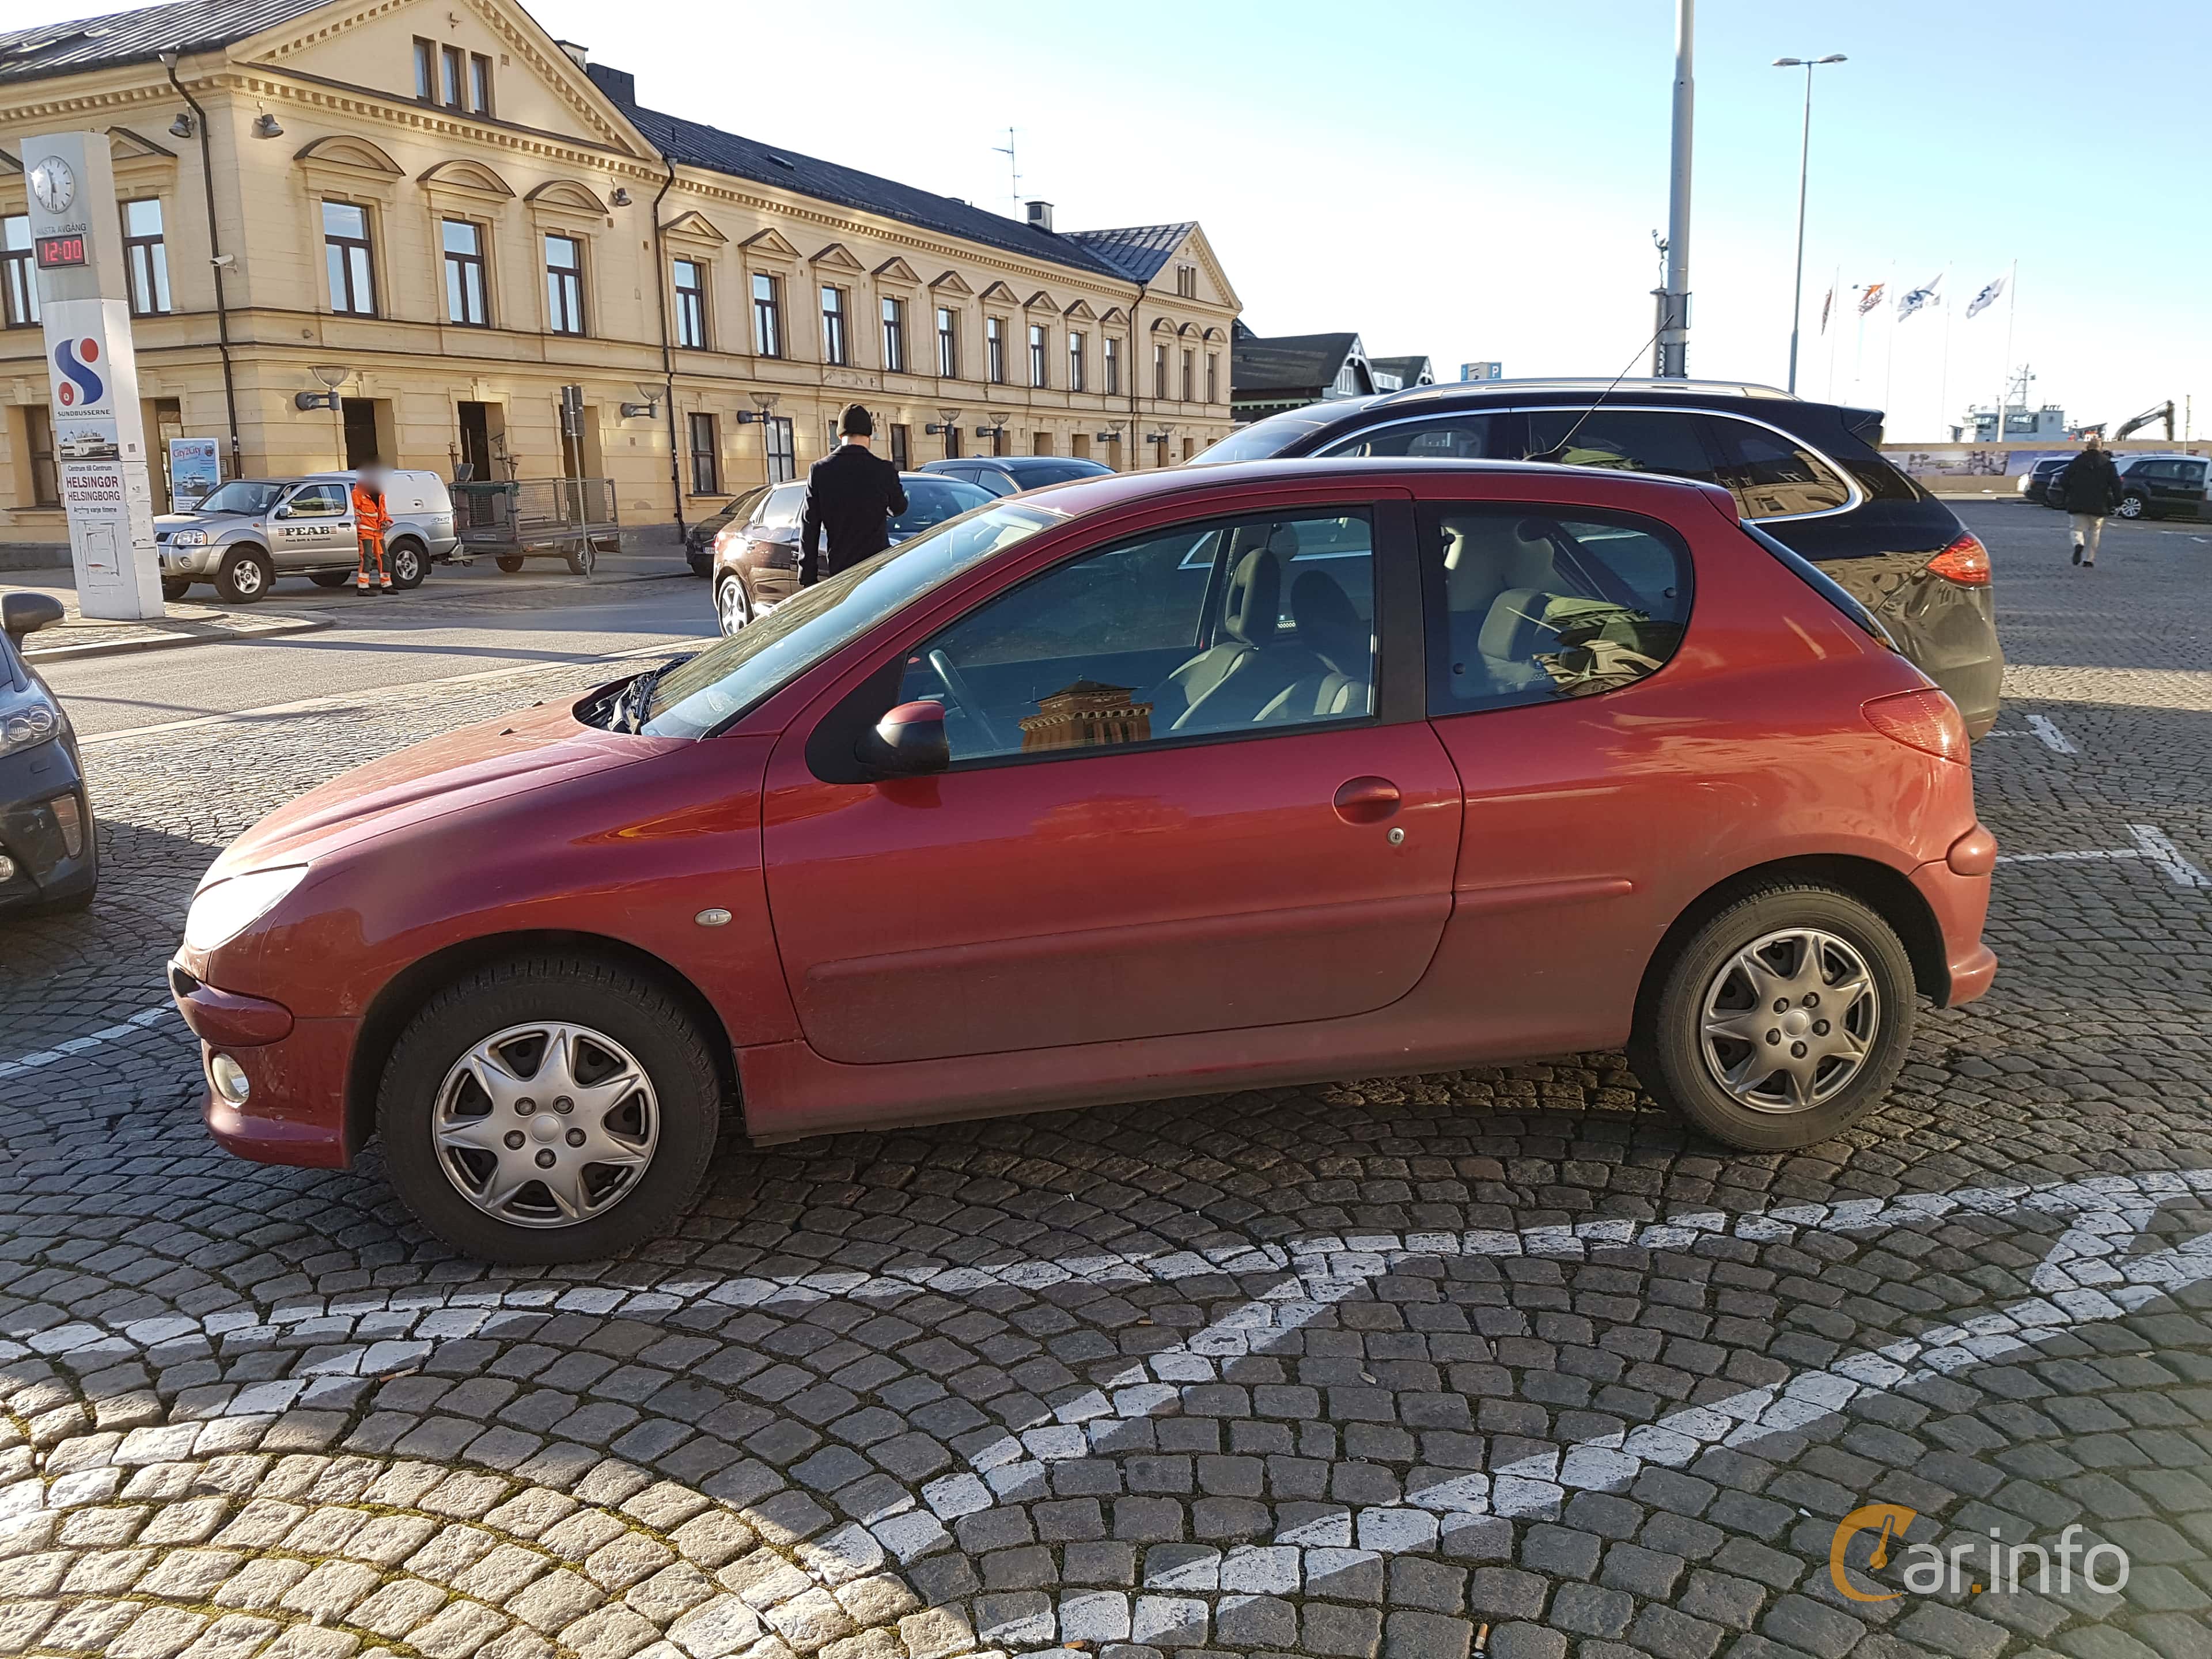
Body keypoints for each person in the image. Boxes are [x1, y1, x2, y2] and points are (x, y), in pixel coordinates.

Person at [800, 404, 907, 587]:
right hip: (878, 566)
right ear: (869, 436)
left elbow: (810, 526)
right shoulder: (883, 469)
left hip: (841, 568)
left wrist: (807, 576)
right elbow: (898, 508)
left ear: (840, 436)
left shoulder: (819, 471)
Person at [2056, 435, 2123, 568]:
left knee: (2076, 529)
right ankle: (2089, 560)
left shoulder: (2078, 461)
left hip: (2077, 500)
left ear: (2087, 447)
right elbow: (2116, 484)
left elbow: (2064, 479)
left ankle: (2078, 544)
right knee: (2095, 531)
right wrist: (2118, 501)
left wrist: (2070, 491)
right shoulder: (2108, 463)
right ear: (2101, 447)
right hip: (2099, 503)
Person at [351, 468, 393, 593]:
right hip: (366, 532)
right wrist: (357, 518)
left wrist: (387, 522)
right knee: (367, 557)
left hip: (378, 532)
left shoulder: (380, 494)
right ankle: (363, 587)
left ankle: (386, 585)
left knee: (385, 558)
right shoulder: (357, 493)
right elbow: (354, 511)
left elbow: (383, 512)